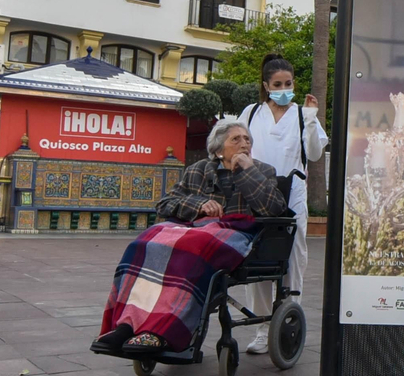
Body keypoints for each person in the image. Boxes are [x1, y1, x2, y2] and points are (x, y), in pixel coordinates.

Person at [97, 119, 287, 353]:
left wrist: (248, 171)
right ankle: (127, 325)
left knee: (192, 247)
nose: (243, 144)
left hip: (238, 234)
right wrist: (199, 204)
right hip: (196, 230)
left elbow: (274, 208)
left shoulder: (263, 171)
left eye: (247, 139)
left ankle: (160, 331)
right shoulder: (197, 170)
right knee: (144, 242)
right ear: (218, 149)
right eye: (235, 139)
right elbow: (165, 204)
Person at [239, 54, 327, 355]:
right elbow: (236, 144)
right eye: (277, 84)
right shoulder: (251, 113)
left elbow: (315, 154)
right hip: (256, 193)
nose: (284, 88)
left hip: (293, 194)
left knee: (292, 257)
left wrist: (313, 117)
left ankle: (289, 320)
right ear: (266, 85)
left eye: (288, 83)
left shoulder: (302, 115)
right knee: (256, 258)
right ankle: (263, 327)